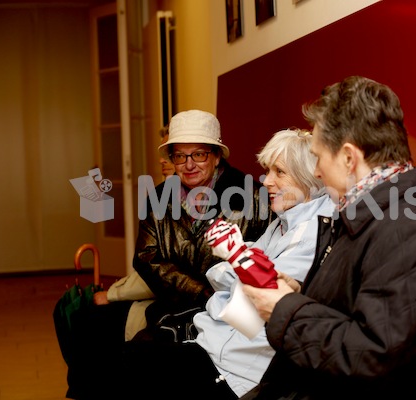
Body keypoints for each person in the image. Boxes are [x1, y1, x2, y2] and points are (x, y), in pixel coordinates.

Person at [241, 76, 416, 399]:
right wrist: (299, 293)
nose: (317, 171)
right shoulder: (369, 212)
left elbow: (372, 355)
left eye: (319, 157)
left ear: (349, 158)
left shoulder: (407, 227)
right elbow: (357, 309)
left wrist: (285, 308)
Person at [59, 110, 271, 400]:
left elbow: (258, 263)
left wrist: (214, 297)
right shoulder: (158, 196)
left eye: (198, 154)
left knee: (148, 357)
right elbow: (146, 257)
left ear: (217, 155)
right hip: (174, 301)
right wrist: (200, 292)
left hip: (229, 312)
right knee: (96, 330)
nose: (188, 164)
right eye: (179, 156)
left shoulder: (253, 197)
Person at [122, 128, 335, 399]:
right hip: (217, 335)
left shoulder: (311, 230)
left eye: (279, 172)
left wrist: (235, 257)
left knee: (133, 362)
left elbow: (253, 303)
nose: (267, 181)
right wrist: (238, 267)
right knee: (134, 351)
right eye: (180, 156)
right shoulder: (284, 222)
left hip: (237, 361)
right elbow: (225, 275)